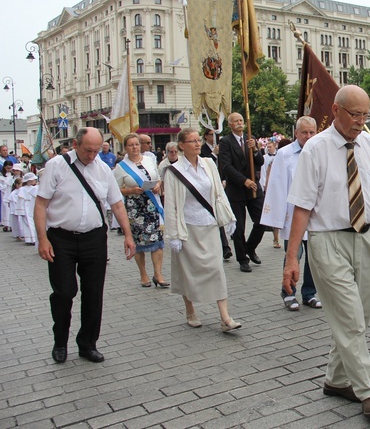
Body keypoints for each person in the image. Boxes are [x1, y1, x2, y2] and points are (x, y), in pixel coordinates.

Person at [282, 85, 370, 418]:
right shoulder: (316, 149)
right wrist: (292, 258)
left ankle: (336, 380)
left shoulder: (367, 144)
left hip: (367, 239)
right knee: (350, 319)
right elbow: (301, 206)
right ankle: (369, 390)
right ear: (336, 111)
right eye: (354, 114)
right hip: (328, 241)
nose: (360, 121)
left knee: (358, 318)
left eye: (366, 115)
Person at [35, 128, 135, 363]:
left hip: (94, 238)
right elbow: (41, 204)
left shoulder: (102, 169)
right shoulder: (57, 165)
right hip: (61, 238)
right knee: (64, 292)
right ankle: (60, 342)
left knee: (93, 293)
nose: (91, 156)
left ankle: (88, 344)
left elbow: (117, 204)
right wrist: (42, 239)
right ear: (75, 144)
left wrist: (128, 236)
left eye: (96, 150)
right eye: (87, 150)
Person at [163, 128, 241, 332]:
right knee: (187, 271)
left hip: (209, 224)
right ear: (181, 145)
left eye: (199, 140)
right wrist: (173, 234)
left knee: (216, 269)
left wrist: (229, 217)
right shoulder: (173, 171)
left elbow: (218, 193)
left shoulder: (208, 164)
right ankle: (190, 311)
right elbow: (170, 204)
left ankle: (225, 317)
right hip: (187, 227)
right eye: (192, 141)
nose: (198, 144)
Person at [261, 117, 321, 311]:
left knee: (314, 257)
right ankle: (288, 292)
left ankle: (309, 293)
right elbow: (277, 185)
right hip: (293, 215)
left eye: (312, 132)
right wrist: (276, 217)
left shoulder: (319, 151)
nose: (308, 136)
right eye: (304, 132)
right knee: (294, 254)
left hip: (316, 215)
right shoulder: (285, 154)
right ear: (296, 133)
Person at [114, 133, 168, 288]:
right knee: (139, 242)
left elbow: (158, 177)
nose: (134, 147)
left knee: (157, 240)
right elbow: (114, 189)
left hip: (152, 205)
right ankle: (143, 274)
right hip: (135, 209)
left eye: (136, 144)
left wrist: (158, 185)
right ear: (125, 148)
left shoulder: (149, 160)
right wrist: (130, 190)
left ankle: (158, 274)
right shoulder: (121, 167)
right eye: (130, 145)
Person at [218, 112, 265, 272]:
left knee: (262, 221)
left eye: (241, 120)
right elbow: (227, 166)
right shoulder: (225, 142)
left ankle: (250, 248)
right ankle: (242, 259)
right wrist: (244, 181)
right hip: (237, 189)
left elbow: (260, 162)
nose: (239, 123)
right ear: (230, 124)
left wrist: (256, 150)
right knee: (239, 227)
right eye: (235, 121)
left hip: (254, 188)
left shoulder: (250, 139)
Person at [200, 128, 232, 260]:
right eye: (211, 135)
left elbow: (224, 164)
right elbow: (203, 165)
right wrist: (213, 154)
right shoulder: (203, 150)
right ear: (206, 136)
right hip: (207, 187)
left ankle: (225, 246)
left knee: (221, 215)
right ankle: (223, 246)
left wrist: (224, 179)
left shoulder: (222, 147)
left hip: (221, 184)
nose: (214, 137)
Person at [260, 139, 281, 249]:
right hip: (269, 187)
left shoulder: (279, 157)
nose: (269, 148)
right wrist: (264, 185)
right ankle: (275, 239)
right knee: (275, 213)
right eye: (267, 147)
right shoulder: (264, 158)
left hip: (280, 187)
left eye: (270, 146)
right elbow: (264, 173)